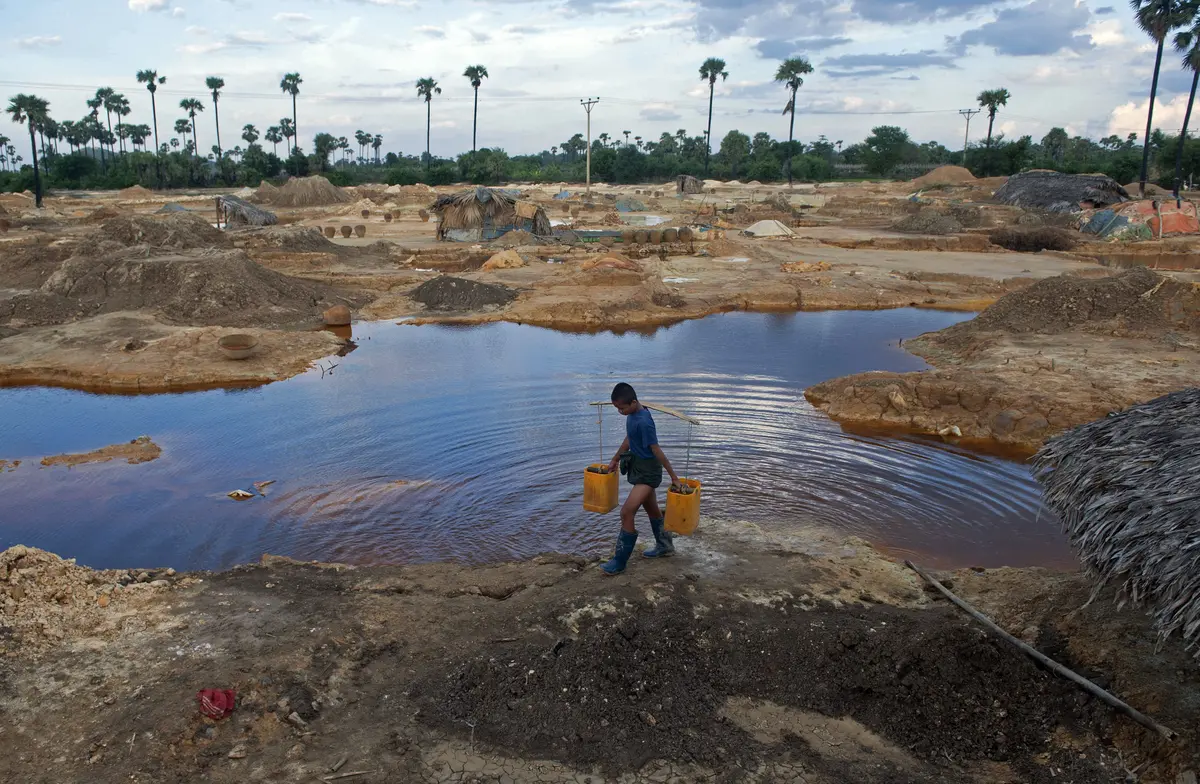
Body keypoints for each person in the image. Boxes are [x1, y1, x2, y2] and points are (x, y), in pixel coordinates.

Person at [601, 382, 681, 575]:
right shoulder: (633, 414)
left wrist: (674, 477)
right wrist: (615, 459)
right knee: (652, 509)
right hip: (638, 467)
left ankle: (619, 561)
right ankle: (665, 547)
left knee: (626, 512)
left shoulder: (644, 422)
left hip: (648, 472)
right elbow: (629, 439)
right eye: (617, 408)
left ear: (634, 402)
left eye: (622, 408)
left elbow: (656, 450)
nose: (620, 412)